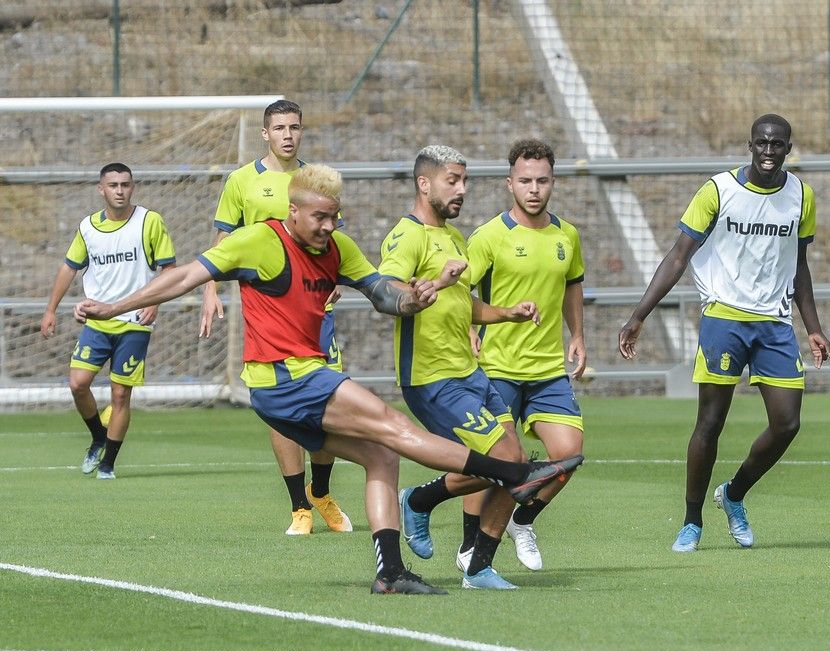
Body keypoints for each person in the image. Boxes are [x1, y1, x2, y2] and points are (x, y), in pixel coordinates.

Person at [75, 164, 583, 594]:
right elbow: (186, 275)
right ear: (293, 211)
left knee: (380, 455)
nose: (327, 226)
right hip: (286, 380)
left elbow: (383, 295)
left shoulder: (338, 246)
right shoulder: (259, 240)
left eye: (334, 216)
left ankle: (390, 572)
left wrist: (415, 298)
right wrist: (115, 307)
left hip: (294, 386)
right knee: (391, 426)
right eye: (318, 216)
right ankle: (515, 475)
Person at [618, 114, 830, 552]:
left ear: (789, 148)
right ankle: (691, 521)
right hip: (724, 317)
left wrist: (814, 328)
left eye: (777, 144)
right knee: (710, 422)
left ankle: (733, 494)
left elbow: (799, 265)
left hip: (774, 322)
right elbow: (678, 256)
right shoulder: (718, 190)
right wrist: (639, 315)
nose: (769, 151)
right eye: (762, 143)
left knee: (787, 423)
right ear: (750, 145)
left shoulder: (801, 196)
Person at [381, 146, 545, 590]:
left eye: (465, 181)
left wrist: (506, 313)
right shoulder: (407, 235)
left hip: (470, 372)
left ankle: (476, 563)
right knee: (507, 461)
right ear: (424, 184)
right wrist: (433, 283)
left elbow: (461, 302)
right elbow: (388, 291)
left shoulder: (453, 236)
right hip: (432, 378)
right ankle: (422, 504)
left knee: (515, 463)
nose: (462, 189)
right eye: (452, 180)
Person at [199, 99, 351, 537]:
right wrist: (210, 289)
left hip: (316, 311)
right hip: (271, 315)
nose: (288, 135)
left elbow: (333, 237)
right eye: (280, 128)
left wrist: (336, 277)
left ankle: (322, 492)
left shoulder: (315, 181)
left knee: (329, 401)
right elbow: (222, 240)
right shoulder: (242, 181)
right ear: (265, 133)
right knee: (283, 407)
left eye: (295, 127)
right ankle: (299, 506)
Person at [463, 138, 586, 572]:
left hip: (548, 369)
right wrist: (469, 331)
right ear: (509, 183)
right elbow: (460, 292)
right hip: (497, 367)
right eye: (525, 181)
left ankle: (522, 520)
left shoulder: (567, 235)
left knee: (569, 454)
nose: (534, 189)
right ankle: (469, 545)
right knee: (492, 462)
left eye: (542, 181)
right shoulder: (488, 236)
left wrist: (577, 335)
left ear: (553, 182)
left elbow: (572, 284)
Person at [40, 163, 176, 480]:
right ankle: (98, 437)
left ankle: (108, 465)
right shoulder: (88, 227)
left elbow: (169, 270)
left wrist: (154, 303)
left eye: (125, 185)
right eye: (113, 185)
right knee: (78, 384)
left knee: (120, 395)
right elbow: (69, 267)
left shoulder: (149, 221)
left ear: (132, 187)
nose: (119, 191)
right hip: (97, 322)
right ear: (101, 189)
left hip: (134, 322)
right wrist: (50, 310)